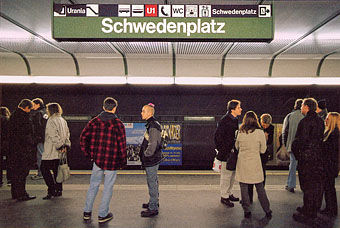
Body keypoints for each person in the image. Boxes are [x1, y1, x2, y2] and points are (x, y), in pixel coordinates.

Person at [80, 97, 127, 224]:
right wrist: (123, 161)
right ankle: (102, 214)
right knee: (108, 187)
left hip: (97, 160)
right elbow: (122, 145)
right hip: (112, 161)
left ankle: (87, 212)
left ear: (103, 107)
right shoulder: (118, 124)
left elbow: (83, 137)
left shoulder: (94, 121)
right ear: (114, 108)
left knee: (93, 185)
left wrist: (88, 154)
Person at [291, 98, 325, 225]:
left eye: (302, 106)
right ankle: (312, 209)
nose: (301, 108)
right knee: (315, 186)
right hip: (317, 158)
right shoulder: (320, 121)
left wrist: (298, 154)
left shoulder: (305, 122)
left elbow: (301, 141)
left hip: (306, 159)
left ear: (307, 107)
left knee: (307, 186)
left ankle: (308, 213)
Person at [235, 111, 272, 219]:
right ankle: (267, 210)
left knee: (244, 188)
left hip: (243, 163)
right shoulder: (260, 133)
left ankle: (246, 210)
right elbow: (263, 150)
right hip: (255, 163)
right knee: (260, 188)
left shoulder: (240, 132)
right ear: (256, 120)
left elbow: (237, 147)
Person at [214, 99, 242, 207]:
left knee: (232, 174)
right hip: (226, 153)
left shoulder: (234, 120)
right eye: (239, 107)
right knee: (226, 175)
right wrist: (223, 150)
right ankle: (224, 196)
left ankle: (229, 193)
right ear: (232, 109)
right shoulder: (225, 120)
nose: (241, 109)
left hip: (233, 152)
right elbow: (217, 137)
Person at [40, 103, 71, 200]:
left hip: (51, 150)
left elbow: (53, 135)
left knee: (44, 169)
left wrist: (59, 146)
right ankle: (59, 190)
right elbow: (67, 134)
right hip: (61, 151)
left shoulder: (51, 120)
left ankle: (51, 189)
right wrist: (65, 145)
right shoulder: (62, 120)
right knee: (57, 170)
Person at [8, 99, 36, 201]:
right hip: (22, 150)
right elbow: (26, 134)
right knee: (22, 173)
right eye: (30, 109)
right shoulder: (23, 117)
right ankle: (22, 194)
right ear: (26, 107)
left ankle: (15, 193)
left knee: (15, 173)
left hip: (13, 149)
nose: (30, 111)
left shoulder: (13, 115)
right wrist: (32, 143)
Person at [139, 103, 164, 217]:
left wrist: (146, 155)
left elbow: (153, 144)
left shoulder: (153, 125)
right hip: (153, 159)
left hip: (151, 159)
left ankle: (153, 208)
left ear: (149, 113)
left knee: (152, 182)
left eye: (143, 111)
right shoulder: (152, 124)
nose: (141, 113)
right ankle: (154, 202)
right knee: (153, 181)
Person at [246, 113, 274, 203]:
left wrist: (266, 139)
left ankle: (261, 193)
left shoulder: (271, 128)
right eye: (263, 124)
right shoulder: (258, 128)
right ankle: (249, 197)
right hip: (255, 153)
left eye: (266, 125)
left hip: (263, 154)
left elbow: (270, 142)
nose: (264, 126)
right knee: (251, 174)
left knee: (262, 173)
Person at [282, 99, 304, 193]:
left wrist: (286, 144)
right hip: (303, 146)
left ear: (295, 106)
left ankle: (291, 185)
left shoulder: (289, 116)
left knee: (293, 165)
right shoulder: (305, 116)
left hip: (292, 144)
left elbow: (284, 131)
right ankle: (304, 186)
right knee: (304, 166)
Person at [320, 112, 339, 217]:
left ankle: (331, 209)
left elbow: (330, 151)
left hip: (329, 166)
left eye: (327, 119)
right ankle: (330, 208)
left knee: (329, 188)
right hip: (330, 165)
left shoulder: (334, 134)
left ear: (332, 120)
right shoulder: (331, 132)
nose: (325, 120)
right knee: (329, 187)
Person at [31, 98, 48, 180]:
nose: (32, 107)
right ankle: (45, 172)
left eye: (33, 105)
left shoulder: (38, 113)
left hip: (40, 139)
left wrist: (36, 137)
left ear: (38, 104)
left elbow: (38, 127)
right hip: (47, 139)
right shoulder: (47, 112)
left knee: (40, 155)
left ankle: (40, 173)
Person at [0, 107, 11, 187]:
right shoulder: (9, 120)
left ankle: (0, 181)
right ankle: (10, 179)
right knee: (9, 162)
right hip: (8, 143)